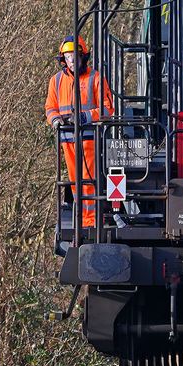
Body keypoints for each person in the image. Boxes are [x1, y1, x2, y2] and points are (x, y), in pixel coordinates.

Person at [44, 35, 115, 228]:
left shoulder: (95, 78)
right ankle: (82, 220)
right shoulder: (56, 81)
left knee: (88, 180)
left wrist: (84, 117)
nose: (72, 60)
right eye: (68, 57)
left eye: (75, 56)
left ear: (83, 56)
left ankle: (91, 222)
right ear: (63, 59)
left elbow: (108, 108)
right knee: (75, 181)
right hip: (67, 139)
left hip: (89, 139)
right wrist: (56, 120)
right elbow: (50, 107)